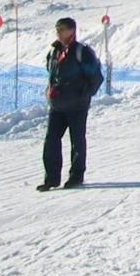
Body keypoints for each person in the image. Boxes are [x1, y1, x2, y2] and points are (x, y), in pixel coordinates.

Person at [38, 17, 104, 191]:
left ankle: (76, 176)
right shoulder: (54, 52)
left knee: (77, 141)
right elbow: (51, 74)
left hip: (77, 106)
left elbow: (96, 77)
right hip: (57, 105)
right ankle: (51, 179)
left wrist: (83, 95)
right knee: (51, 140)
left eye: (61, 29)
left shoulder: (82, 52)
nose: (58, 32)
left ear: (71, 31)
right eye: (57, 29)